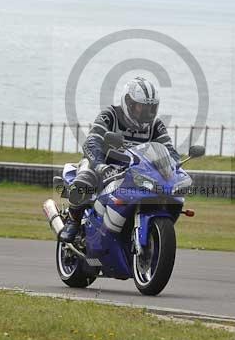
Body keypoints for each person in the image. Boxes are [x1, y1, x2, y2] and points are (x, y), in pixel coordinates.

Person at [58, 76, 180, 243]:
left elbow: (169, 150)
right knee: (85, 179)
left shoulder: (156, 126)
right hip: (103, 163)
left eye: (151, 108)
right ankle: (73, 220)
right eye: (142, 107)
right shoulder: (110, 116)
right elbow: (91, 142)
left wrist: (174, 166)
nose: (146, 112)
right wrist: (100, 165)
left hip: (135, 169)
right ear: (128, 103)